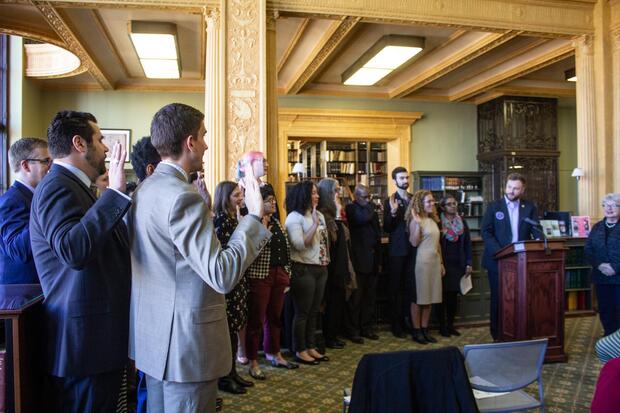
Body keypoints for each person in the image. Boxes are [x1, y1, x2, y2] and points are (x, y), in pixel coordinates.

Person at [128, 103, 270, 413]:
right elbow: (221, 273)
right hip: (186, 344)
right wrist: (254, 218)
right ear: (189, 143)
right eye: (203, 136)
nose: (206, 145)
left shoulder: (144, 190)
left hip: (154, 339)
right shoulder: (183, 195)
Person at [30, 111, 131, 412]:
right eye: (100, 139)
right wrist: (114, 194)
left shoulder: (76, 187)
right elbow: (73, 250)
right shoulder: (55, 186)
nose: (105, 148)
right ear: (79, 143)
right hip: (84, 346)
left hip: (97, 342)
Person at [244, 184, 299, 380]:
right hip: (260, 275)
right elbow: (250, 252)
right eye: (268, 200)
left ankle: (274, 353)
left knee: (275, 317)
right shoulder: (252, 223)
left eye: (273, 199)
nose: (273, 203)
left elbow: (285, 249)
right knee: (256, 320)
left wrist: (287, 272)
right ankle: (252, 360)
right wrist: (263, 229)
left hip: (279, 274)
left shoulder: (277, 223)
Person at [480, 172, 538, 340]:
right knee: (499, 299)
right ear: (505, 186)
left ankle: (519, 332)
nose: (512, 191)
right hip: (497, 261)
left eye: (516, 188)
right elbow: (486, 231)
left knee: (521, 298)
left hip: (521, 262)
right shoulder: (494, 206)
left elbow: (535, 229)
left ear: (523, 189)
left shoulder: (529, 207)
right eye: (510, 187)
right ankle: (497, 334)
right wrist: (500, 252)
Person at [127, 135, 162, 413]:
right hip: (150, 309)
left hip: (148, 308)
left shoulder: (138, 200)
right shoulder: (142, 203)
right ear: (151, 170)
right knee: (148, 390)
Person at [212, 181, 254, 394]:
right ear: (225, 197)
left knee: (235, 329)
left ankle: (233, 372)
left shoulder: (234, 218)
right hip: (229, 283)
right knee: (227, 331)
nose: (241, 199)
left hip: (240, 280)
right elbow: (228, 251)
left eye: (242, 194)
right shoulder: (221, 220)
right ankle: (225, 377)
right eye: (236, 195)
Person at [285, 181, 330, 365]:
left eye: (317, 193)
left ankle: (311, 346)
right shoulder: (294, 218)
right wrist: (314, 225)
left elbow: (323, 242)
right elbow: (300, 244)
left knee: (314, 312)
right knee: (302, 312)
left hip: (321, 268)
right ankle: (300, 349)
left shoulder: (318, 214)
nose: (317, 196)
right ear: (304, 195)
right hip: (303, 269)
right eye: (313, 193)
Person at [0, 137, 50, 284]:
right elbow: (19, 250)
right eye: (46, 161)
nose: (50, 167)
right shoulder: (10, 202)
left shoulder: (33, 197)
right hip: (24, 295)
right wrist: (47, 208)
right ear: (26, 166)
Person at [318, 178, 357, 346]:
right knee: (331, 301)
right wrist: (337, 215)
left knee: (339, 299)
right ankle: (329, 336)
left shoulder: (335, 211)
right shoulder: (324, 214)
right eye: (335, 190)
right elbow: (332, 238)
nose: (338, 194)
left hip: (341, 260)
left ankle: (334, 334)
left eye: (339, 190)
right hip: (331, 264)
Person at [406, 190, 443, 344]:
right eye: (428, 201)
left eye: (432, 201)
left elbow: (438, 244)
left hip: (434, 262)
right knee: (418, 298)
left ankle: (425, 329)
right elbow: (414, 242)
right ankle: (417, 331)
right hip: (420, 263)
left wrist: (441, 262)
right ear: (420, 203)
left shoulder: (433, 220)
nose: (432, 204)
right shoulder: (416, 220)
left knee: (429, 298)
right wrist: (416, 223)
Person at [345, 184, 382, 341]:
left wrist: (379, 260)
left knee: (370, 298)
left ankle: (367, 328)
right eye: (365, 197)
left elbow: (377, 233)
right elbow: (362, 218)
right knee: (356, 299)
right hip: (359, 260)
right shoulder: (352, 208)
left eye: (369, 197)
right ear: (356, 196)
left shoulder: (369, 209)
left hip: (373, 259)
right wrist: (372, 205)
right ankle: (353, 331)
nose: (368, 200)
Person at [383, 166, 413, 338]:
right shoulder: (390, 200)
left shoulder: (412, 198)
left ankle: (407, 321)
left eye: (406, 177)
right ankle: (396, 325)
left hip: (412, 248)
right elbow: (387, 228)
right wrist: (393, 213)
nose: (405, 181)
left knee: (409, 287)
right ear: (394, 181)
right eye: (401, 178)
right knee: (396, 289)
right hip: (397, 250)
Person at [436, 195, 472, 337]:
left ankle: (450, 325)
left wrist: (469, 262)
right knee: (441, 296)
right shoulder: (438, 222)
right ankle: (441, 326)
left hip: (458, 263)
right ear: (443, 207)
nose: (453, 206)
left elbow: (467, 243)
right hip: (442, 263)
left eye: (454, 203)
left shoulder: (461, 221)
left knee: (453, 297)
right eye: (449, 204)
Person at [585, 193, 620, 336]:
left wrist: (615, 268)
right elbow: (588, 250)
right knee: (605, 309)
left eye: (613, 205)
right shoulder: (597, 227)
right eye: (606, 205)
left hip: (618, 277)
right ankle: (609, 337)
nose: (609, 208)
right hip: (602, 277)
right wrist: (599, 265)